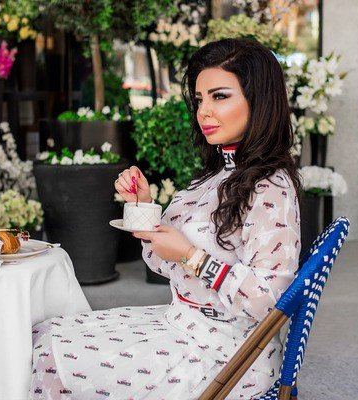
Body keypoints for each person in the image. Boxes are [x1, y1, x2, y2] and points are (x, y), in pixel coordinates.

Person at [29, 38, 301, 400]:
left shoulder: (270, 187)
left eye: (219, 96)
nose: (204, 111)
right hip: (182, 326)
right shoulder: (218, 175)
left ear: (260, 102)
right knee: (44, 333)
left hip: (225, 357)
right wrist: (143, 206)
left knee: (49, 357)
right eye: (200, 99)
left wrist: (192, 256)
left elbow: (270, 301)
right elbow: (163, 264)